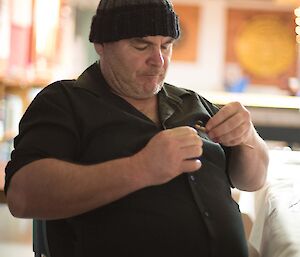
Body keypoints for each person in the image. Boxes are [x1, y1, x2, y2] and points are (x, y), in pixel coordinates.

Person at [5, 0, 269, 256]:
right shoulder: (65, 102)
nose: (158, 60)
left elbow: (252, 180)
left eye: (166, 46)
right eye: (141, 45)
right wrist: (141, 168)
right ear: (101, 44)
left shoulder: (192, 103)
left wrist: (248, 138)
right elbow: (23, 195)